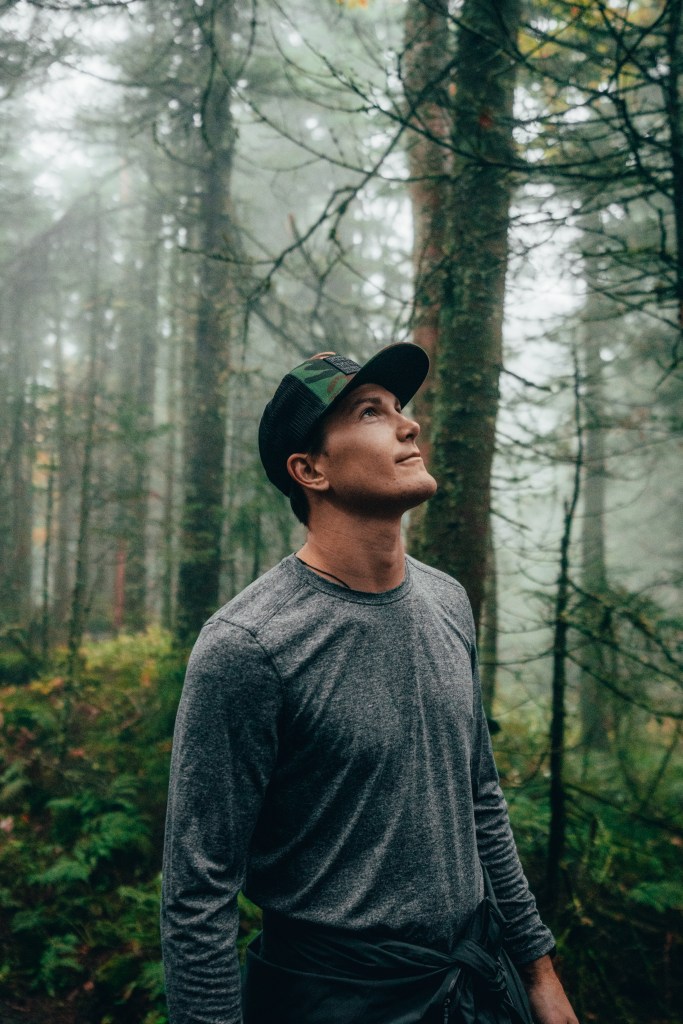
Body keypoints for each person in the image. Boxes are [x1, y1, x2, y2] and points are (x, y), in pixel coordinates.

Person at [161, 343, 578, 1024]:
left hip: (473, 985)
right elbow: (197, 890)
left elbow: (479, 798)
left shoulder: (447, 602)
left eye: (398, 409)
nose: (408, 425)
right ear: (310, 469)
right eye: (369, 412)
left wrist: (537, 970)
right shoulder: (247, 646)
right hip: (330, 997)